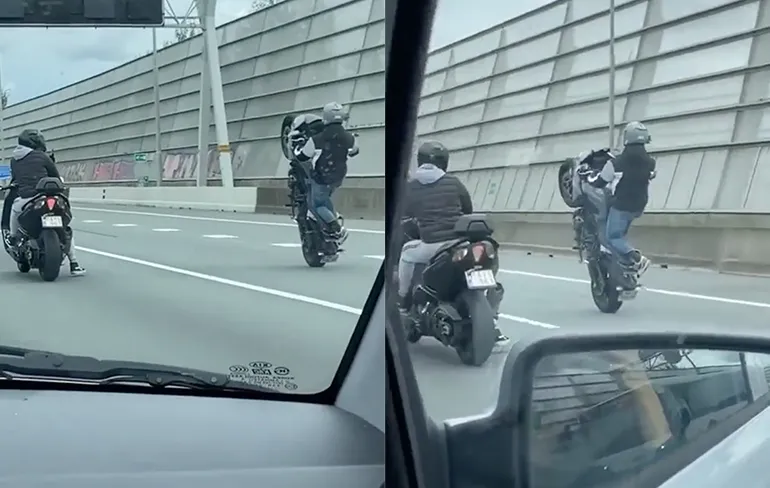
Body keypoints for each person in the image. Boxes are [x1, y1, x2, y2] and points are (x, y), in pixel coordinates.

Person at [398, 141, 510, 350]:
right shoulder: (454, 182)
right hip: (460, 243)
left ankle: (403, 301)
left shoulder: (411, 187)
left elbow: (403, 214)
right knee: (489, 275)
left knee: (406, 253)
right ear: (444, 162)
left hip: (432, 245)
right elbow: (468, 208)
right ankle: (493, 323)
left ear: (420, 161)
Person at [8, 129, 86, 276]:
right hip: (49, 196)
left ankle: (13, 238)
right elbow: (55, 175)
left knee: (15, 211)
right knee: (64, 227)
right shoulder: (43, 156)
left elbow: (16, 179)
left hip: (26, 198)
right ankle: (74, 263)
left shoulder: (14, 159)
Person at [584, 122, 655, 275]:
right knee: (620, 234)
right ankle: (625, 264)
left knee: (612, 237)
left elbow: (599, 182)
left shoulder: (616, 163)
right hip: (639, 205)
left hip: (622, 205)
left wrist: (588, 177)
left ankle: (637, 259)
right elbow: (650, 175)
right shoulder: (651, 162)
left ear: (626, 138)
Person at [292, 102, 358, 241]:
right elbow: (354, 151)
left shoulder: (317, 139)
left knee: (317, 204)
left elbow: (302, 156)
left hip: (322, 177)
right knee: (324, 199)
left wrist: (297, 146)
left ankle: (337, 229)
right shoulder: (349, 137)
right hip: (338, 177)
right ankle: (330, 223)